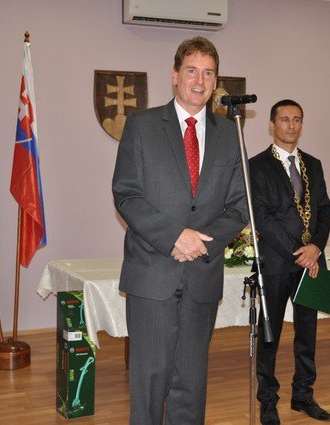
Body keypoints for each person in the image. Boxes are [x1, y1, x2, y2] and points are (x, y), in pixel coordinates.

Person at [111, 36, 248, 425]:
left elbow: (240, 206)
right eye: (191, 71)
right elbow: (127, 194)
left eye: (208, 73)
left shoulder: (230, 134)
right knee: (150, 384)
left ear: (216, 81)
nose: (199, 81)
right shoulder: (142, 125)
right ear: (175, 75)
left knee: (191, 383)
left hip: (202, 276)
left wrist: (201, 244)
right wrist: (175, 236)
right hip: (153, 274)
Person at [249, 99, 330, 424]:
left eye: (297, 119)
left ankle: (303, 395)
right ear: (272, 125)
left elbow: (325, 210)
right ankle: (268, 402)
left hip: (313, 263)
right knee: (269, 337)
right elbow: (262, 218)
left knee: (307, 333)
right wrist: (301, 252)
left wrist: (316, 248)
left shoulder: (314, 164)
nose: (291, 125)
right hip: (276, 263)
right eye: (284, 119)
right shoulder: (256, 166)